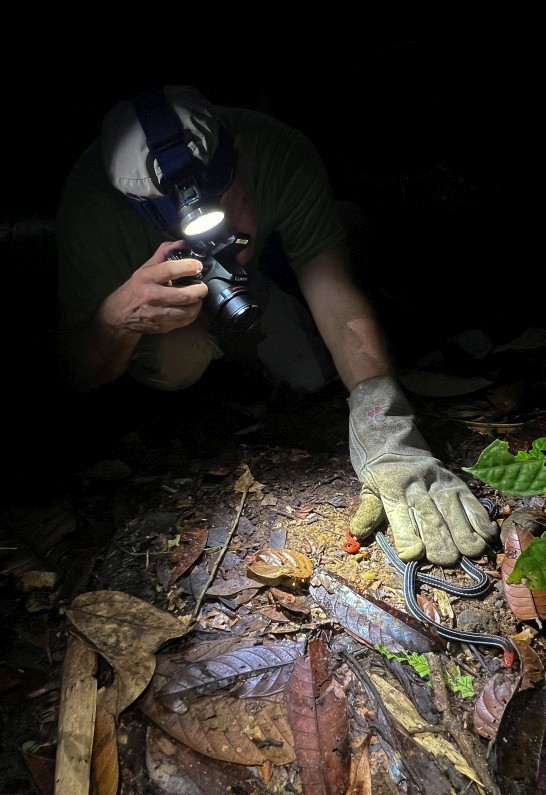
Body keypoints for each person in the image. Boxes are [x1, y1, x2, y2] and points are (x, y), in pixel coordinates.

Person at [55, 84, 499, 568]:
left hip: (255, 282)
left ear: (237, 155)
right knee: (177, 362)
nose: (216, 236)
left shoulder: (275, 147)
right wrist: (118, 318)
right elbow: (80, 372)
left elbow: (333, 289)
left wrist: (388, 433)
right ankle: (207, 378)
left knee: (309, 367)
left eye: (224, 206)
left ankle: (254, 345)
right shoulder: (91, 201)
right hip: (160, 321)